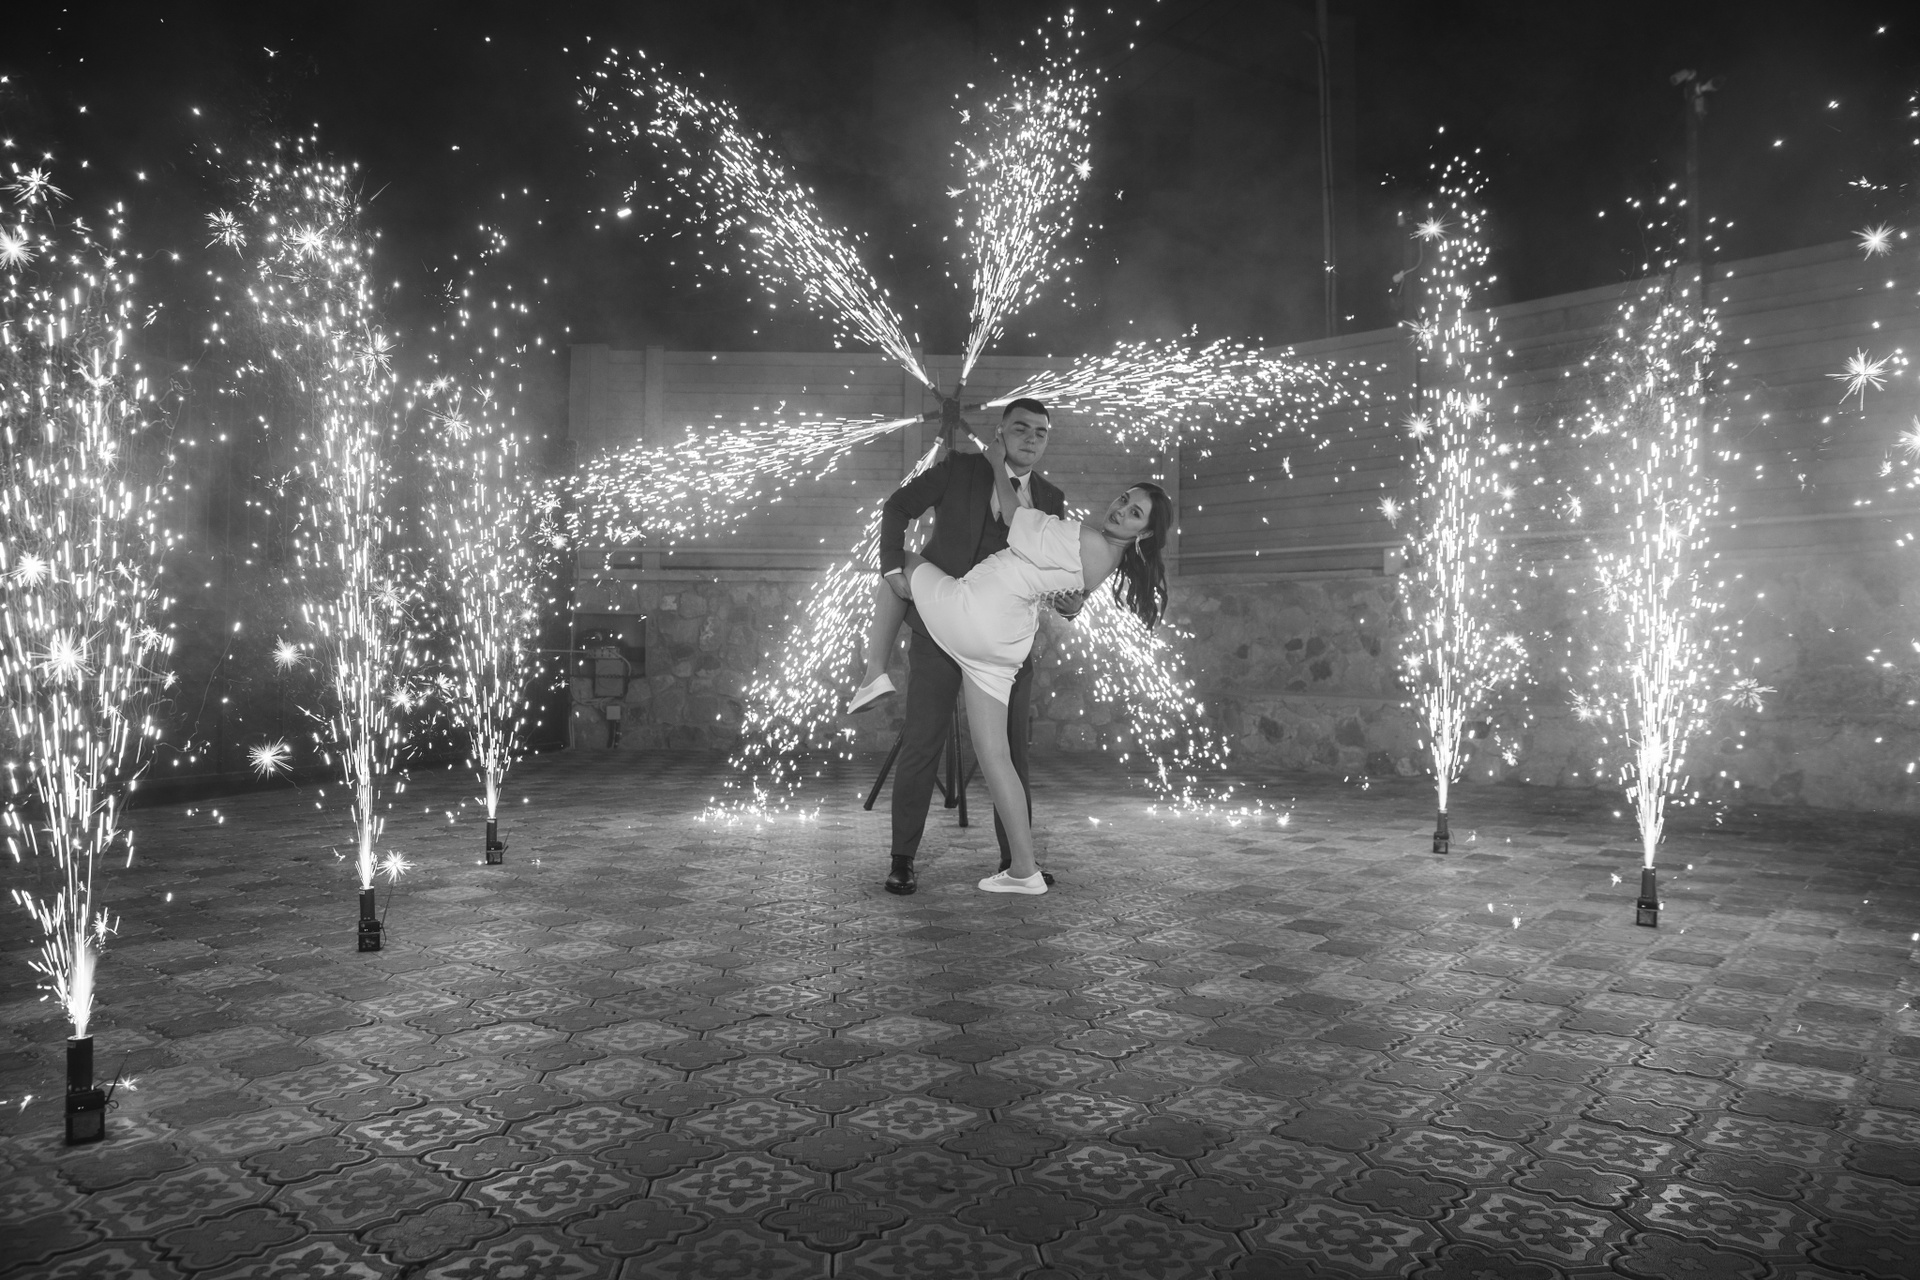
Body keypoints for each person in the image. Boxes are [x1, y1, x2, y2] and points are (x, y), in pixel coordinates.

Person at [855, 434, 1172, 894]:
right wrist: (1073, 603)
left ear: (1144, 534)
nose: (1121, 510)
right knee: (995, 755)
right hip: (1004, 645)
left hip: (972, 614)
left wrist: (994, 463)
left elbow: (1014, 517)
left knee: (899, 561)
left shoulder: (1075, 525)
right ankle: (1024, 870)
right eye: (1124, 499)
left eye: (1135, 513)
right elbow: (1066, 587)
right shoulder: (1107, 555)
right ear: (1006, 428)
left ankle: (873, 672)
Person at [852, 399, 1072, 897]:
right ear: (1000, 431)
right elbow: (897, 506)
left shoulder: (1051, 499)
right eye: (1021, 428)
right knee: (922, 741)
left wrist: (1066, 605)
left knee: (1012, 751)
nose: (1031, 438)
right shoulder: (959, 468)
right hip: (939, 631)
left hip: (1004, 646)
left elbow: (1051, 572)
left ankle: (1017, 861)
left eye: (1040, 432)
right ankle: (902, 859)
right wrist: (892, 568)